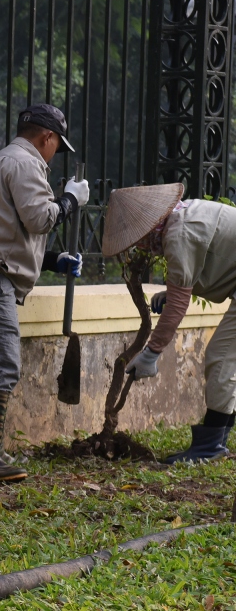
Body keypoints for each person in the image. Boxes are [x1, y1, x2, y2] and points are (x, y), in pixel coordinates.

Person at [0, 104, 90, 482]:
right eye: (56, 145)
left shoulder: (5, 161)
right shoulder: (25, 163)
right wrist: (72, 199)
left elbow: (6, 232)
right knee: (3, 366)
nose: (55, 154)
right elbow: (40, 218)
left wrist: (55, 260)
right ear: (48, 138)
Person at [103, 183, 235, 463]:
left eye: (138, 238)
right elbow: (214, 259)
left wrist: (150, 353)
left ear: (149, 227)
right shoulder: (185, 214)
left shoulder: (178, 235)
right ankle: (217, 441)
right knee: (227, 361)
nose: (140, 247)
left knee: (220, 358)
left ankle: (210, 447)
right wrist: (173, 290)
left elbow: (178, 305)